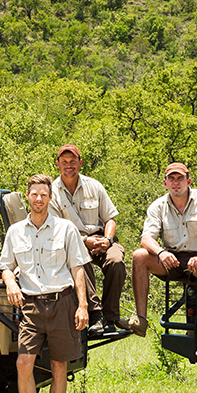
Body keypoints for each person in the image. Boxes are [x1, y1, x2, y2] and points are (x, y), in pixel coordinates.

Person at [0, 174, 90, 393]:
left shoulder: (66, 229)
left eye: (43, 194)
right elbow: (6, 266)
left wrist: (82, 305)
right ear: (27, 197)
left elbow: (78, 268)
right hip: (30, 305)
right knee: (23, 362)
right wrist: (11, 284)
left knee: (59, 365)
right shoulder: (15, 231)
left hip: (62, 302)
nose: (38, 199)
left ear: (50, 198)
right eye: (34, 194)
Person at [125, 163, 197, 361]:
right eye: (172, 179)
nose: (176, 183)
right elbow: (146, 238)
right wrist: (160, 252)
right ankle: (141, 319)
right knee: (139, 256)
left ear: (188, 181)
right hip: (174, 258)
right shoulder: (158, 206)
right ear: (165, 182)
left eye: (180, 178)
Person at [48, 143, 126, 336]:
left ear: (80, 163)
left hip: (102, 238)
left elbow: (110, 218)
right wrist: (84, 241)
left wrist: (107, 240)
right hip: (72, 242)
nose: (69, 165)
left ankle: (111, 316)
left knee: (116, 261)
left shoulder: (94, 185)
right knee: (79, 260)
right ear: (57, 164)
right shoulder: (52, 192)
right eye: (64, 162)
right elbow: (57, 230)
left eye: (73, 161)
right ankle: (96, 313)